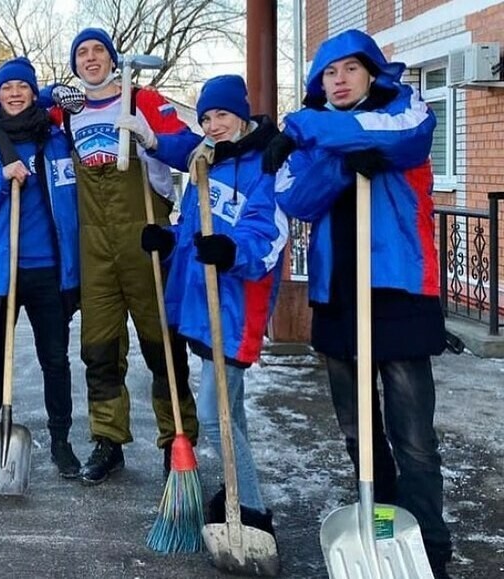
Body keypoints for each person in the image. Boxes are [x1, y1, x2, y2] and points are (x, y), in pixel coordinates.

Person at [264, 29, 453, 579]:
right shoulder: (320, 139)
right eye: (329, 73)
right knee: (358, 431)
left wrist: (310, 128)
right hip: (339, 298)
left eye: (349, 69)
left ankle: (429, 547)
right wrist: (344, 159)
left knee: (413, 435)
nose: (339, 80)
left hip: (397, 292)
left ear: (370, 72)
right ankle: (385, 529)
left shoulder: (402, 106)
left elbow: (408, 139)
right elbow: (296, 197)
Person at [142, 74, 287, 539]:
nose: (213, 124)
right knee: (233, 411)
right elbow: (191, 227)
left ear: (241, 114)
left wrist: (232, 250)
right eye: (205, 117)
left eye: (221, 114)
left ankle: (253, 508)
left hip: (237, 308)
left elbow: (268, 233)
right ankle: (235, 489)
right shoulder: (207, 164)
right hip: (203, 305)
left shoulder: (268, 164)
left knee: (212, 413)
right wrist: (167, 239)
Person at [61, 28, 200, 485]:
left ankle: (176, 437)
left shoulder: (143, 99)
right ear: (74, 65)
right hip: (94, 247)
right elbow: (13, 107)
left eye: (99, 49)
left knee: (161, 343)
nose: (91, 57)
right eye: (82, 52)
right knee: (98, 347)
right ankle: (108, 440)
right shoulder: (68, 112)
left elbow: (193, 151)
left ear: (114, 58)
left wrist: (154, 140)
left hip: (144, 237)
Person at [0, 57, 82, 481]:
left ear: (32, 92)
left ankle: (61, 440)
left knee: (56, 360)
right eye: (6, 88)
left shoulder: (57, 140)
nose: (14, 93)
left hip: (48, 270)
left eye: (22, 87)